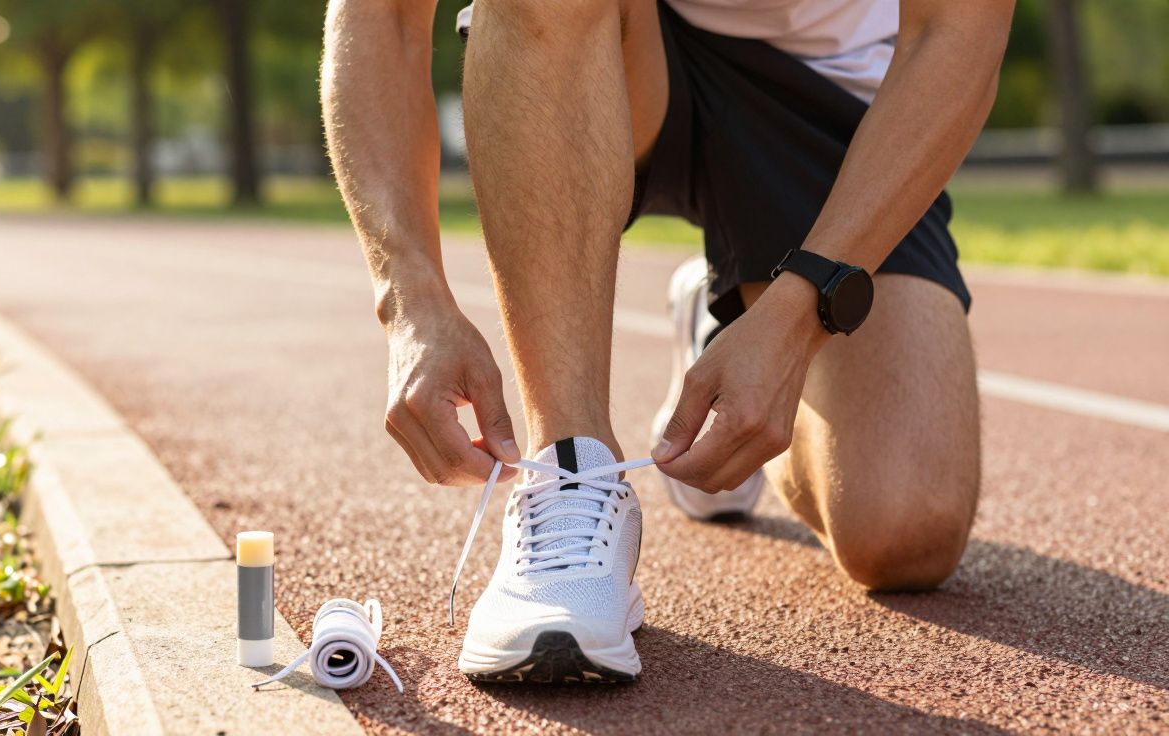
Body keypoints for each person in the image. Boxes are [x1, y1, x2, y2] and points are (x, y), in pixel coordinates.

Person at [321, 0, 1013, 683]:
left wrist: (793, 322)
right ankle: (572, 470)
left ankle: (727, 326)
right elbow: (381, 15)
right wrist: (408, 299)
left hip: (828, 89)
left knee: (904, 531)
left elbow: (956, 31)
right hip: (615, 38)